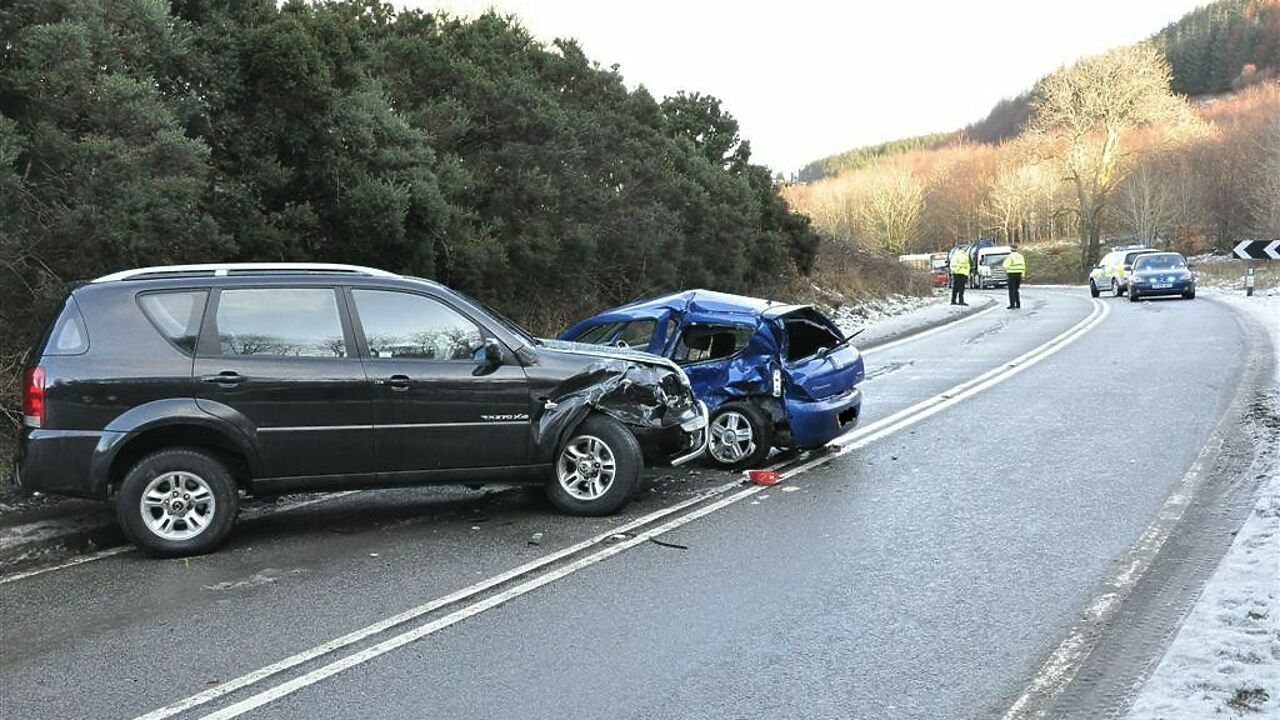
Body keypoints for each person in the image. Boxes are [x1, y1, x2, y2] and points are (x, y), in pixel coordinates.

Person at [1003, 243, 1026, 309]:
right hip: (1019, 274)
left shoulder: (1010, 257)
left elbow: (1005, 265)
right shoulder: (1021, 256)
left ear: (1011, 249)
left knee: (1011, 290)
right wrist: (1023, 274)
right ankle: (1018, 304)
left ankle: (1012, 305)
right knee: (1016, 290)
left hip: (1011, 274)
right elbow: (1023, 266)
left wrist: (1007, 270)